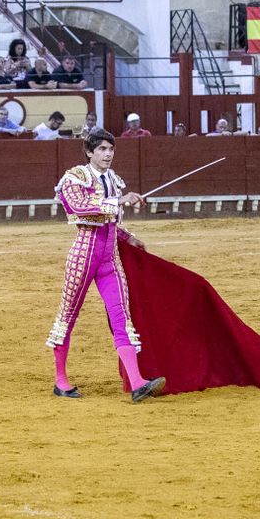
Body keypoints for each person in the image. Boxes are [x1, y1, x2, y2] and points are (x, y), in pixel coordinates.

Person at [47, 129, 164, 402]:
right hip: (83, 257)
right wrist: (118, 200)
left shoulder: (113, 180)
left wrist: (129, 237)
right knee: (68, 317)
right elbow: (79, 207)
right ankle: (60, 381)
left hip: (109, 259)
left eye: (110, 149)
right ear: (89, 152)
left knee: (122, 317)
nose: (108, 154)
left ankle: (137, 383)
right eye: (101, 149)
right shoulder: (76, 177)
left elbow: (111, 221)